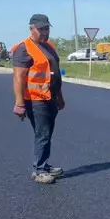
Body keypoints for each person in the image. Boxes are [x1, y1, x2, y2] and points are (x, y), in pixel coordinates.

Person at [11, 13, 65, 184]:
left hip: (50, 97)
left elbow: (54, 74)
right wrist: (19, 104)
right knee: (42, 133)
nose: (44, 32)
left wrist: (60, 97)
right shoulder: (24, 48)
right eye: (41, 29)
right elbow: (19, 77)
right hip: (35, 100)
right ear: (31, 29)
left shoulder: (49, 46)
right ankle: (39, 170)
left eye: (47, 28)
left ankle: (44, 164)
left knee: (47, 133)